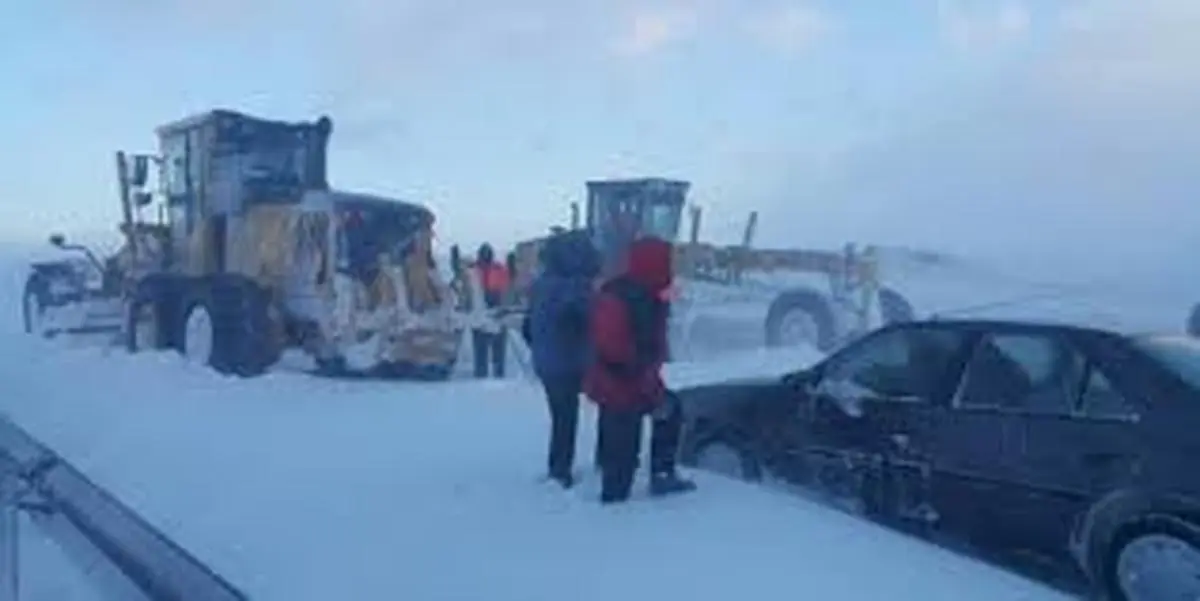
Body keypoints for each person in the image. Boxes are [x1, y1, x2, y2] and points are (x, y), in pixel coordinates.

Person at [585, 236, 696, 504]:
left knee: (650, 417)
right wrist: (646, 385)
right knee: (629, 440)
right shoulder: (639, 298)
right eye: (667, 261)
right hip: (625, 382)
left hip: (614, 379)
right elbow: (621, 349)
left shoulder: (627, 289)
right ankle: (617, 506)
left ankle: (622, 472)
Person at [526, 231, 601, 489]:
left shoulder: (541, 284)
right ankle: (567, 471)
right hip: (571, 362)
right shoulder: (576, 288)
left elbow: (528, 327)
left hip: (547, 363)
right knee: (604, 409)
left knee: (561, 417)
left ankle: (558, 468)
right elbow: (588, 321)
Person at [472, 242, 510, 378]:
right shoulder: (475, 270)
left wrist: (503, 306)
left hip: (493, 310)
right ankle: (488, 372)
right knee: (488, 347)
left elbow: (505, 289)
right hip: (483, 311)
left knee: (491, 347)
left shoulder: (494, 269)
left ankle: (492, 372)